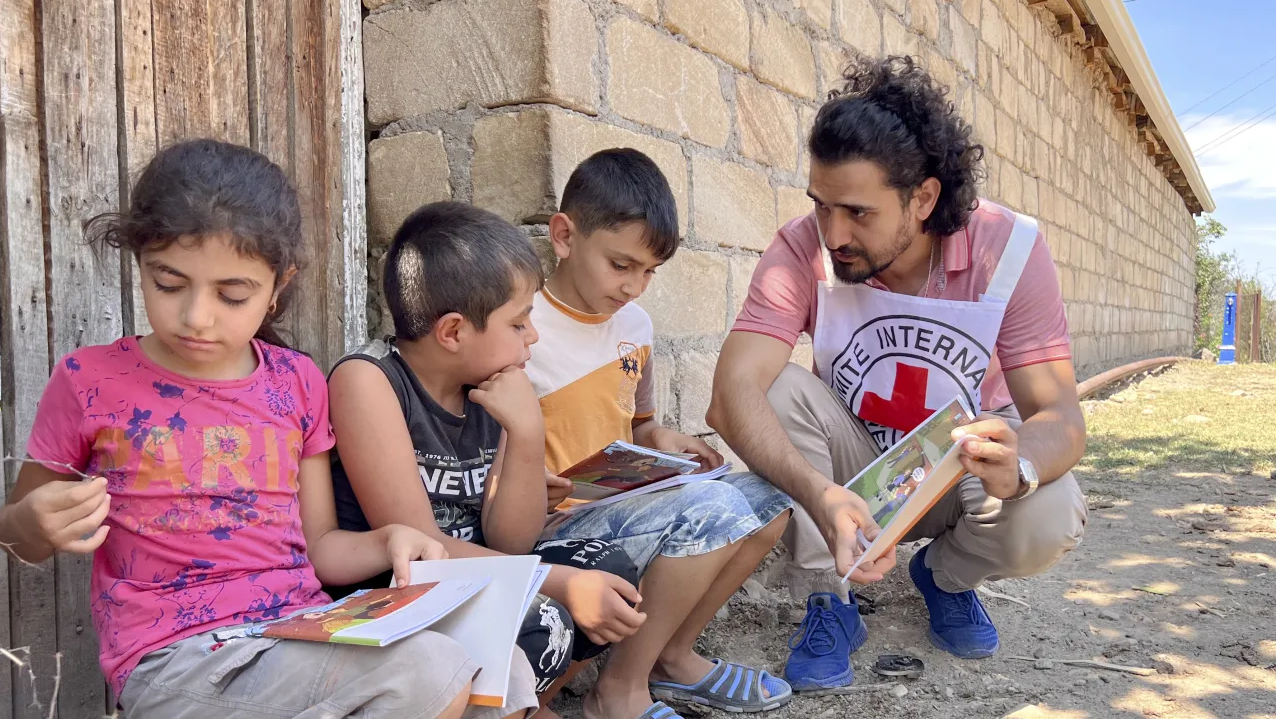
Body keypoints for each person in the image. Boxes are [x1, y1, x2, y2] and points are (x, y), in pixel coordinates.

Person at [0, 140, 535, 719]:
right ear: (140, 263)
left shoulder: (296, 381)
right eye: (168, 283)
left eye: (233, 294)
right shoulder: (89, 381)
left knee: (501, 666)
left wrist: (389, 541)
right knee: (427, 674)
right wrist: (29, 522)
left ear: (278, 286)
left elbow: (321, 550)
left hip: (298, 629)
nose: (197, 316)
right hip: (175, 656)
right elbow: (15, 537)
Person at [708, 55, 1088, 689]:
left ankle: (943, 576)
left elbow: (1063, 418)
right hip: (854, 472)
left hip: (958, 470)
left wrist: (1017, 464)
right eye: (821, 205)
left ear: (924, 198)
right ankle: (829, 597)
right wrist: (817, 492)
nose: (832, 233)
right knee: (770, 387)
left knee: (1048, 508)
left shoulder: (1010, 251)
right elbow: (730, 394)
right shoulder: (802, 246)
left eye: (858, 212)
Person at [327, 202, 643, 718]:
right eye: (519, 323)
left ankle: (516, 702)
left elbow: (511, 540)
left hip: (476, 572)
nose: (532, 337)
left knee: (609, 569)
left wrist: (525, 433)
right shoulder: (370, 382)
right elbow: (421, 553)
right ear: (453, 332)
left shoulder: (488, 385)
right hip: (395, 591)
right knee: (549, 615)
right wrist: (557, 582)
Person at [527, 149, 795, 719]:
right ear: (564, 236)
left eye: (649, 272)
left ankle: (671, 655)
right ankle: (618, 690)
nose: (634, 287)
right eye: (621, 265)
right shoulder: (521, 326)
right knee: (714, 512)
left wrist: (665, 440)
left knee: (769, 504)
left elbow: (638, 422)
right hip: (555, 517)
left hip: (620, 497)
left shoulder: (635, 328)